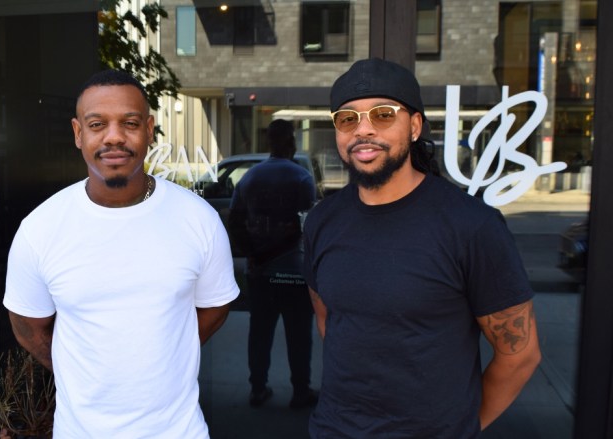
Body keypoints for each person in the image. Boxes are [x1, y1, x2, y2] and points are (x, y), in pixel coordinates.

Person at [302, 58, 542, 438]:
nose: (363, 130)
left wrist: (463, 426)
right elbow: (328, 319)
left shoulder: (470, 225)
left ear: (414, 126)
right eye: (347, 119)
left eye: (383, 115)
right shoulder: (322, 221)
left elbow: (521, 354)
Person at [2, 69, 239, 438]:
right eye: (98, 124)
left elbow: (215, 307)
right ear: (78, 134)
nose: (114, 137)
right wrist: (84, 369)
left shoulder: (198, 220)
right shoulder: (41, 229)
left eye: (129, 123)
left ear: (149, 129)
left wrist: (165, 354)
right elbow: (27, 327)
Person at [227, 119, 319, 409]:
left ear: (269, 142)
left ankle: (257, 388)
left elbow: (235, 222)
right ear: (291, 142)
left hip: (260, 271)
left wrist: (254, 253)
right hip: (293, 271)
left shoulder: (250, 178)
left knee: (260, 331)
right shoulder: (301, 178)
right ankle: (300, 391)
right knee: (298, 333)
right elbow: (306, 226)